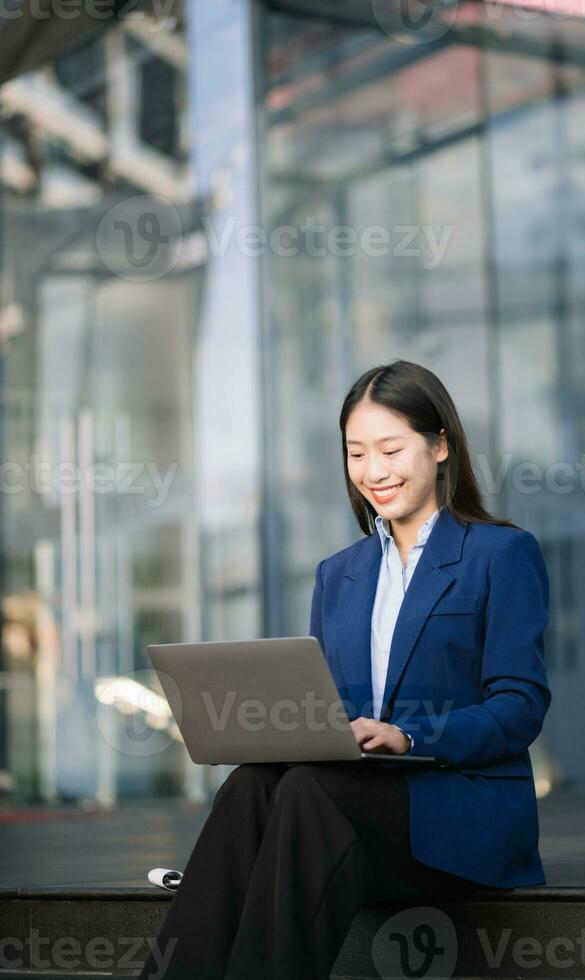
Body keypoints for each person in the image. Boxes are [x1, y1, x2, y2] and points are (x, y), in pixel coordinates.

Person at [138, 358, 552, 980]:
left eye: (391, 449)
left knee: (307, 792)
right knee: (254, 783)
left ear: (440, 445)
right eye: (356, 454)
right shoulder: (340, 574)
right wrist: (284, 729)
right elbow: (326, 708)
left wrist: (411, 737)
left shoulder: (501, 554)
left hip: (461, 808)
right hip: (355, 802)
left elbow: (519, 707)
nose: (373, 471)